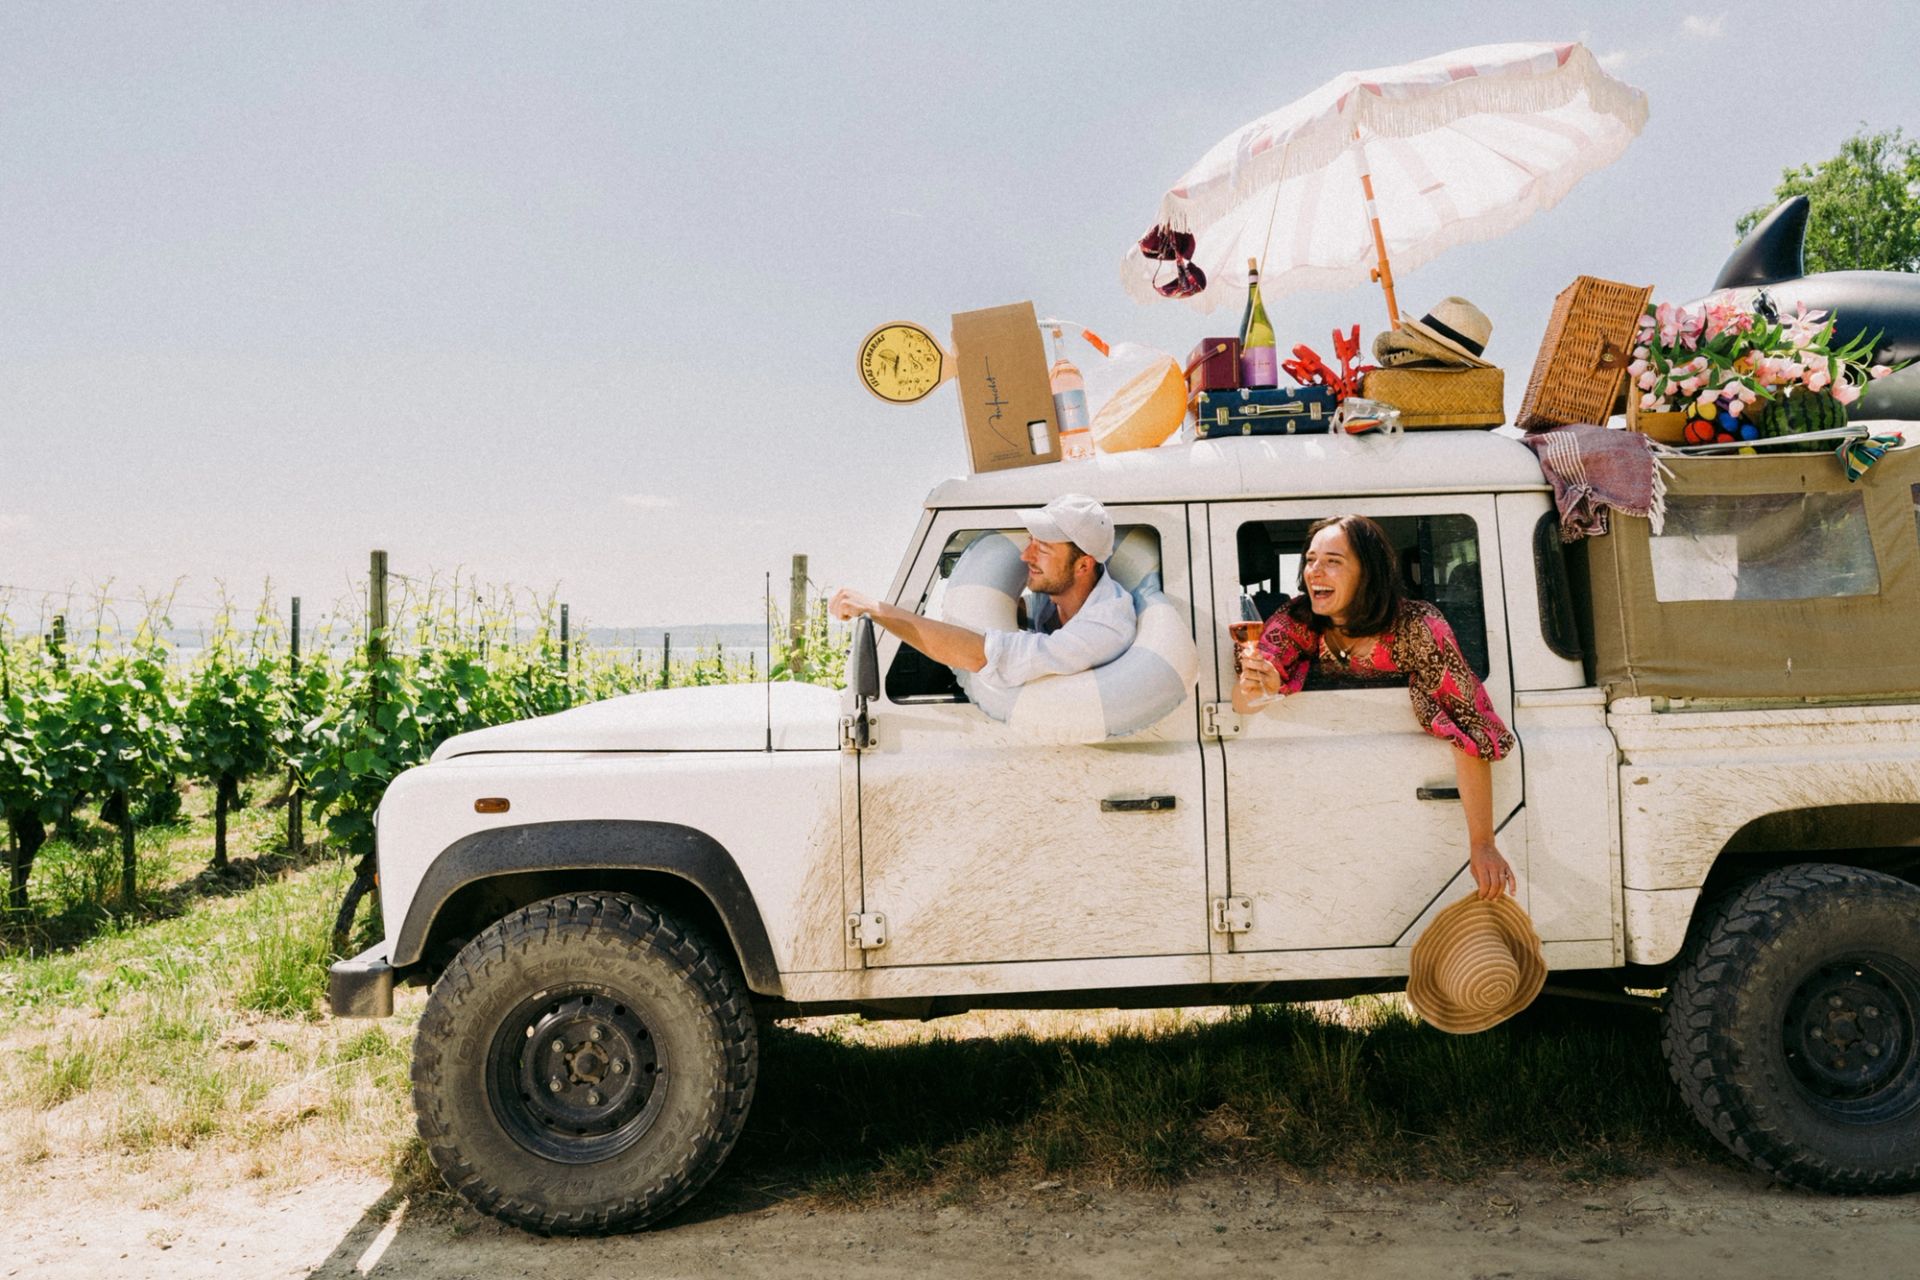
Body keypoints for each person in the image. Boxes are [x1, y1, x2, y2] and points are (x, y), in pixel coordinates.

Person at [1233, 514, 1518, 901]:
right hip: (1328, 794)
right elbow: (1244, 701)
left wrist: (1483, 843)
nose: (1315, 571)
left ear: (1368, 572)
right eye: (1311, 559)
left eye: (1333, 561)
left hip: (1407, 805)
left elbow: (1466, 725)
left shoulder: (1418, 626)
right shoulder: (1296, 619)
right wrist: (1259, 683)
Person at [828, 493, 1136, 686]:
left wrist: (876, 609)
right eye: (1030, 541)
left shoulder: (1103, 628)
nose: (1025, 556)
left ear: (1083, 566)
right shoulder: (1057, 599)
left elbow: (984, 655)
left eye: (1042, 549)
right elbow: (1021, 611)